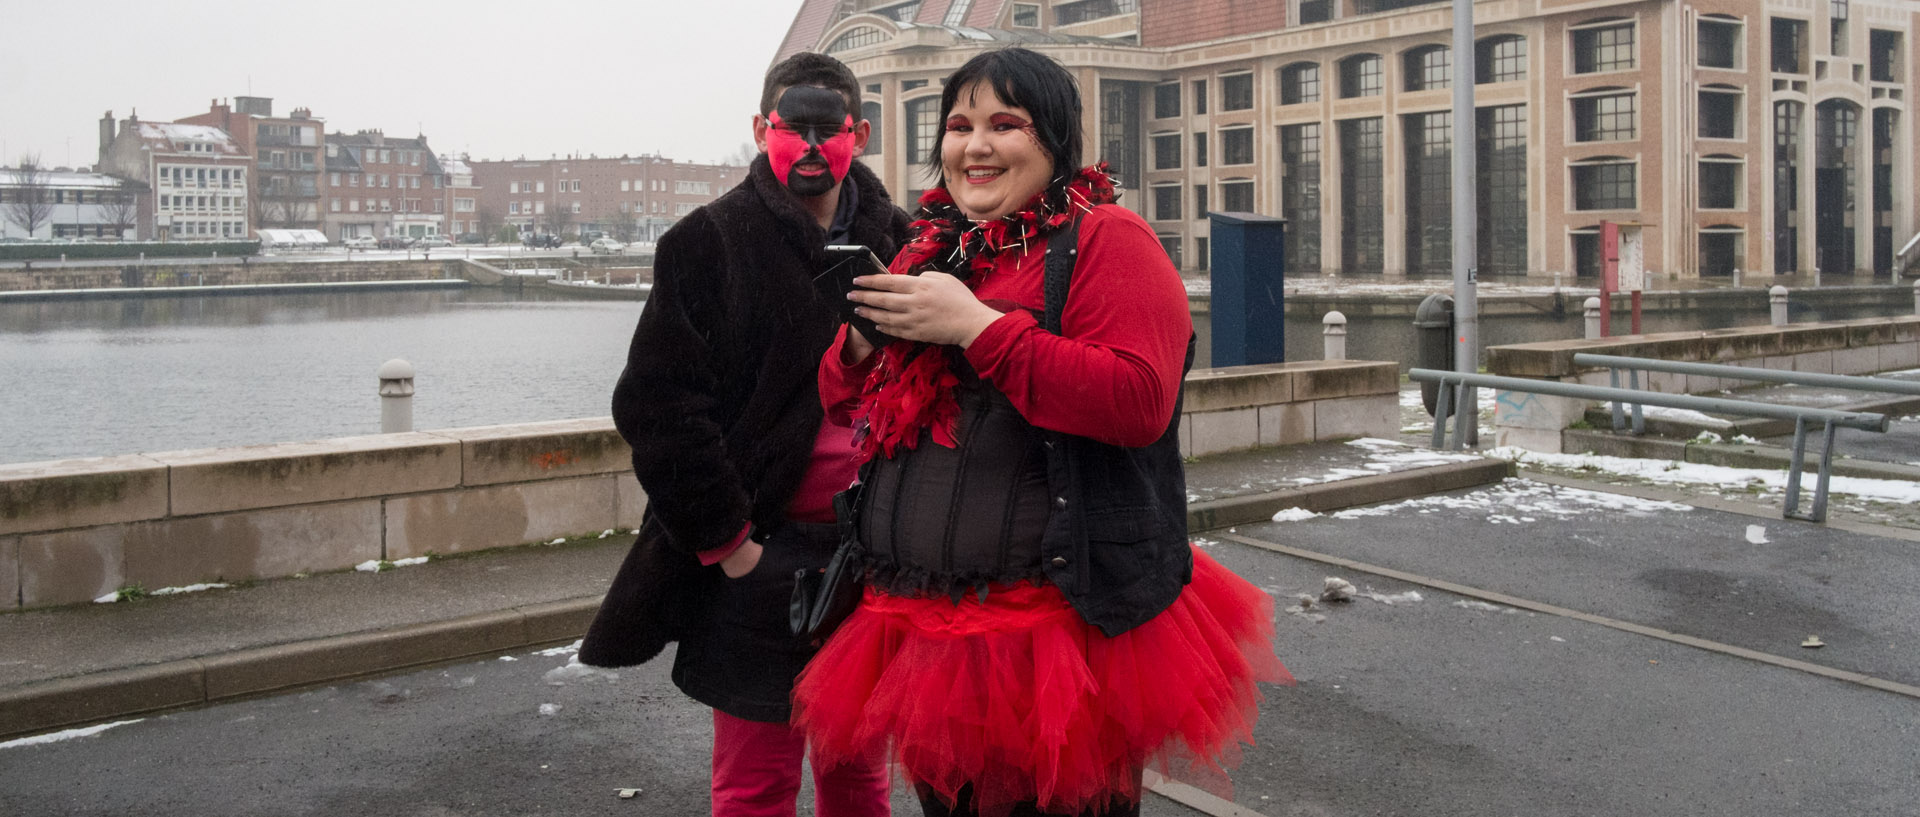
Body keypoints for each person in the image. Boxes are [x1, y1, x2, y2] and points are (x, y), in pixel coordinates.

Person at [792, 48, 1293, 817]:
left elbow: (1137, 400)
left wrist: (977, 328)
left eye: (1005, 124)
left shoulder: (1108, 240)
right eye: (958, 126)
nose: (974, 146)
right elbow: (843, 401)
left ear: (1054, 141)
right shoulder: (934, 248)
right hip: (922, 627)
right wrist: (864, 340)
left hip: (1053, 633)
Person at [579, 51, 911, 817]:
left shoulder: (901, 236)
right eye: (794, 128)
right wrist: (732, 548)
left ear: (859, 134)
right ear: (762, 130)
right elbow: (658, 408)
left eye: (832, 131)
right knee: (755, 783)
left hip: (876, 556)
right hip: (761, 553)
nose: (814, 146)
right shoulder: (707, 242)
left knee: (859, 776)